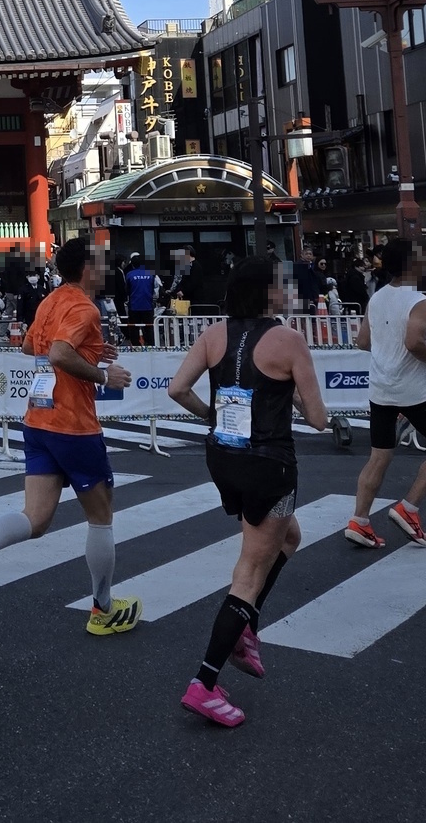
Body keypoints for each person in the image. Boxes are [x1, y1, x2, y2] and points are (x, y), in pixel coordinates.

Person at [0, 235, 141, 635]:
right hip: (73, 425)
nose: (103, 269)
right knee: (101, 517)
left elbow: (32, 345)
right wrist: (102, 373)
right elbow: (59, 353)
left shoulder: (51, 301)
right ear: (86, 267)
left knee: (36, 518)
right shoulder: (84, 306)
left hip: (38, 420)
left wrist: (91, 352)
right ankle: (103, 609)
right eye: (99, 262)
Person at [166, 256, 331, 727]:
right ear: (267, 293)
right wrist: (294, 393)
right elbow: (318, 419)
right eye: (281, 284)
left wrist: (211, 415)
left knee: (289, 537)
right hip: (269, 464)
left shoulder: (213, 334)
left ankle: (246, 627)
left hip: (223, 457)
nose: (287, 290)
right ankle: (205, 681)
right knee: (250, 570)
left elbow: (178, 389)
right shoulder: (289, 340)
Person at [345, 238, 426, 549]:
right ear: (412, 264)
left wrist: (387, 349)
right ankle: (408, 509)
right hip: (412, 391)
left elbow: (363, 342)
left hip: (380, 388)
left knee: (379, 456)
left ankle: (360, 520)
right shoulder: (422, 302)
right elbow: (413, 342)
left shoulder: (377, 298)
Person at [124, 253, 158, 346]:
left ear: (132, 264)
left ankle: (135, 346)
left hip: (134, 306)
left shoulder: (129, 275)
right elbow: (154, 288)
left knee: (134, 328)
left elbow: (127, 290)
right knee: (149, 328)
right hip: (148, 305)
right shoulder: (150, 274)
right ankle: (151, 345)